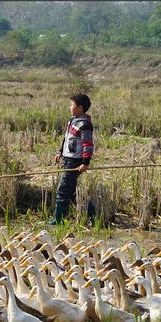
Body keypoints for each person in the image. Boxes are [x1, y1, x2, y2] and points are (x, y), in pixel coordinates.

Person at [49, 93, 95, 225]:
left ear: (80, 108)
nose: (70, 107)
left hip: (75, 162)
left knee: (63, 190)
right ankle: (93, 215)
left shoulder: (85, 124)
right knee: (73, 192)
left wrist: (85, 163)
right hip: (67, 159)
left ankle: (58, 220)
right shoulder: (72, 120)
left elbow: (88, 145)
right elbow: (66, 139)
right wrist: (60, 152)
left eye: (72, 105)